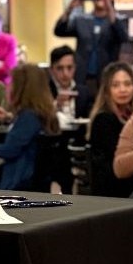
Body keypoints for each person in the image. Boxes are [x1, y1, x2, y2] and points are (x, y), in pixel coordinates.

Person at [0, 63, 59, 190]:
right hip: (33, 183)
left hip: (17, 184)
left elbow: (10, 150)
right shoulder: (44, 114)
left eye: (12, 82)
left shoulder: (29, 117)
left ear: (22, 87)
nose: (9, 86)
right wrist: (11, 118)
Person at [53, 0, 129, 94]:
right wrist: (70, 9)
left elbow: (122, 37)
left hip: (107, 77)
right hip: (82, 77)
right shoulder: (81, 20)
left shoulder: (119, 20)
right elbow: (59, 31)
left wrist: (110, 10)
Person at [87, 62, 133, 198]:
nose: (123, 90)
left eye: (127, 84)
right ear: (106, 90)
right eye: (115, 85)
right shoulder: (104, 119)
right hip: (112, 192)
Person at [47, 44, 94, 192]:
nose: (65, 73)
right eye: (60, 68)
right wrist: (55, 105)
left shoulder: (84, 91)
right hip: (53, 144)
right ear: (51, 69)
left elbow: (90, 117)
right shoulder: (45, 91)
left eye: (69, 68)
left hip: (78, 142)